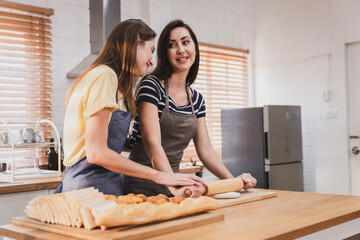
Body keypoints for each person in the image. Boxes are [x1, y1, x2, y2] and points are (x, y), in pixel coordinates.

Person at [54, 19, 205, 196]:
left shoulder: (115, 86)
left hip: (107, 184)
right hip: (88, 187)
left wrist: (149, 139)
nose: (151, 62)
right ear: (135, 43)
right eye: (150, 51)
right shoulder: (105, 76)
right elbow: (96, 153)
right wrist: (159, 175)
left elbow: (109, 140)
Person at [124, 20, 257, 198]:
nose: (181, 50)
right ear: (164, 53)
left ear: (194, 47)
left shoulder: (197, 100)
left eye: (185, 42)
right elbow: (152, 144)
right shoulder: (151, 86)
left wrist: (234, 183)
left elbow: (206, 150)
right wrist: (174, 183)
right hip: (142, 185)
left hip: (176, 185)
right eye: (172, 45)